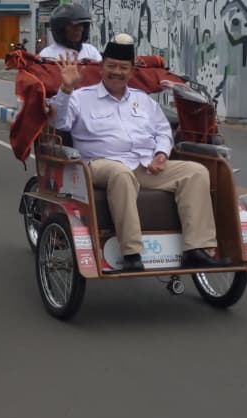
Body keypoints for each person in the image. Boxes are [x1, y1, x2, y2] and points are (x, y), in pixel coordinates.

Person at [49, 34, 225, 273]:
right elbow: (60, 123)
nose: (117, 72)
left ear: (131, 72)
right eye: (111, 66)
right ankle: (131, 253)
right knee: (121, 173)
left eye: (123, 68)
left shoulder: (143, 101)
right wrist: (66, 88)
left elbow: (163, 131)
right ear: (101, 68)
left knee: (196, 171)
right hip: (99, 164)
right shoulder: (81, 97)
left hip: (144, 165)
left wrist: (161, 154)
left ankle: (197, 249)